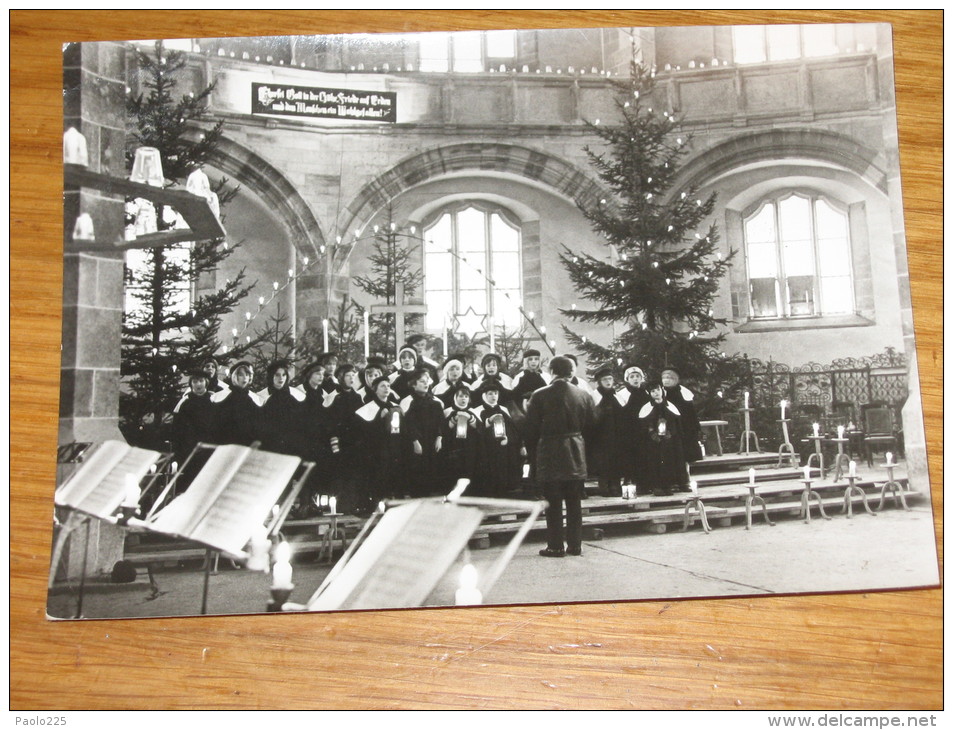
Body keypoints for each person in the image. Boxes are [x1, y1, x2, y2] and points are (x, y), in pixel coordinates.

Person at [523, 355, 595, 558]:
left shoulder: (539, 395)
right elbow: (592, 426)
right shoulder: (583, 395)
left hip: (550, 451)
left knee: (553, 502)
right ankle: (575, 545)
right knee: (574, 502)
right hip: (575, 451)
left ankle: (555, 546)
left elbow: (531, 429)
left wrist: (533, 455)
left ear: (552, 371)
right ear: (571, 372)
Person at [355, 375, 407, 502]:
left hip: (394, 448)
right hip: (377, 450)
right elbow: (364, 432)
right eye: (383, 386)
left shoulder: (395, 406)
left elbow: (404, 428)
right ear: (375, 389)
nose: (386, 389)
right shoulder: (368, 408)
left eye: (388, 386)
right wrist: (379, 418)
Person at [638, 379, 691, 496]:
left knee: (670, 461)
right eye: (653, 391)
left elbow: (676, 423)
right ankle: (657, 486)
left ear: (662, 390)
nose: (656, 393)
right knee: (655, 462)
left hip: (669, 441)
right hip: (653, 443)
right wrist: (652, 434)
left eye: (658, 390)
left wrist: (670, 433)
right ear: (649, 394)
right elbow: (645, 425)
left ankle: (670, 485)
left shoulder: (670, 406)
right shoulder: (646, 408)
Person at [473, 381, 525, 498]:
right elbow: (478, 430)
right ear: (484, 396)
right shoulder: (478, 410)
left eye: (495, 393)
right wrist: (489, 422)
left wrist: (509, 439)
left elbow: (513, 429)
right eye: (490, 394)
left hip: (505, 448)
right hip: (487, 449)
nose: (493, 396)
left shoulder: (504, 409)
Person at [400, 368, 445, 497]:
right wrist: (415, 442)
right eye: (421, 382)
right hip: (417, 442)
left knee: (431, 472)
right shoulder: (410, 402)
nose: (426, 384)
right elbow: (409, 425)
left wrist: (439, 438)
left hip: (432, 441)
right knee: (418, 473)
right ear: (414, 384)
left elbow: (440, 423)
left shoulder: (435, 403)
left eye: (427, 381)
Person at [588, 365, 625, 497]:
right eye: (605, 380)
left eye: (610, 379)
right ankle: (604, 487)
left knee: (616, 461)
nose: (608, 382)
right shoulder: (595, 397)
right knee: (603, 463)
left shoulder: (617, 395)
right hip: (601, 438)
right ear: (599, 382)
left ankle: (615, 486)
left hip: (616, 436)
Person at [439, 382, 483, 494]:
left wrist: (471, 419)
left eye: (466, 396)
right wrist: (453, 420)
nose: (463, 399)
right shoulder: (448, 411)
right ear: (455, 397)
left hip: (470, 447)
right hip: (453, 446)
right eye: (460, 396)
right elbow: (443, 430)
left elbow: (480, 429)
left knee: (469, 469)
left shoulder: (474, 412)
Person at [257, 359, 305, 456]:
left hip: (290, 446)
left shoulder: (294, 397)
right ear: (271, 376)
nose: (281, 378)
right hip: (270, 446)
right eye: (277, 375)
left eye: (284, 375)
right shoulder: (262, 397)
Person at [210, 361, 262, 446]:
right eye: (241, 375)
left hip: (246, 445)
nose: (245, 378)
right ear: (234, 376)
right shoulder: (221, 398)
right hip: (226, 444)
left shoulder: (254, 399)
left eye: (247, 375)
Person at [617, 365, 651, 493]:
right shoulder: (622, 394)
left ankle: (645, 484)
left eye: (638, 376)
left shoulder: (647, 392)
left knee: (644, 457)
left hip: (644, 430)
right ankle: (629, 481)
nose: (635, 379)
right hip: (629, 431)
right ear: (627, 379)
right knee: (630, 457)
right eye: (632, 377)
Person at [661, 366, 703, 463]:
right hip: (667, 427)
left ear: (676, 379)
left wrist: (695, 428)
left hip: (684, 428)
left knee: (685, 455)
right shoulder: (660, 392)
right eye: (664, 378)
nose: (666, 380)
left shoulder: (684, 393)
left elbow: (691, 413)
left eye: (670, 378)